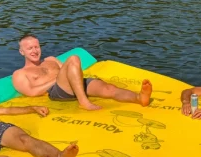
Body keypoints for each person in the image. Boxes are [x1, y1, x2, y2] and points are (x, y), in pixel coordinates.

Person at [11, 35, 152, 111]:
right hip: (56, 91)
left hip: (74, 84)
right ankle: (83, 102)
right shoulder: (20, 73)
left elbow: (71, 71)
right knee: (73, 58)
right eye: (29, 48)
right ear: (21, 52)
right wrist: (55, 80)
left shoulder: (51, 59)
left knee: (109, 88)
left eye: (36, 47)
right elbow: (31, 92)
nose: (34, 51)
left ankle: (139, 98)